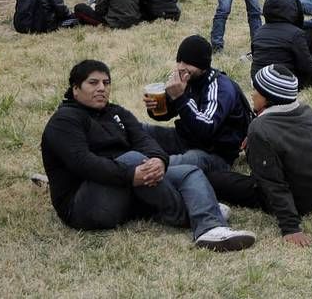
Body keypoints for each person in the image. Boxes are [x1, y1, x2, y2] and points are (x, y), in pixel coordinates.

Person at [40, 60, 256, 251]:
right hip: (83, 205)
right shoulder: (65, 120)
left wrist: (159, 161)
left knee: (189, 171)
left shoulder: (116, 112)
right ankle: (194, 211)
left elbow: (145, 140)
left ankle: (210, 229)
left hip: (125, 186)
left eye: (106, 83)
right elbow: (83, 163)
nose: (101, 88)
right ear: (75, 88)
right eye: (93, 83)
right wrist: (130, 175)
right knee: (134, 159)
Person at [207, 65, 312, 247]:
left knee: (213, 179)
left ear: (268, 98)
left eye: (256, 90)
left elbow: (272, 182)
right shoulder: (305, 110)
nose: (252, 94)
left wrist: (291, 227)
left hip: (299, 199)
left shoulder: (260, 129)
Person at [143, 35, 253, 171]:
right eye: (179, 61)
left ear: (202, 65)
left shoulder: (220, 88)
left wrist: (180, 97)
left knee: (174, 163)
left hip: (214, 153)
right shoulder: (187, 79)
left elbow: (206, 128)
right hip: (185, 139)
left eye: (188, 63)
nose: (181, 67)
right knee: (136, 130)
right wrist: (155, 107)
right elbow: (165, 114)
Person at [250, 0, 312, 88]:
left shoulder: (259, 31)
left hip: (257, 78)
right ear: (291, 12)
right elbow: (306, 67)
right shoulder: (296, 33)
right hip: (282, 80)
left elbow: (255, 56)